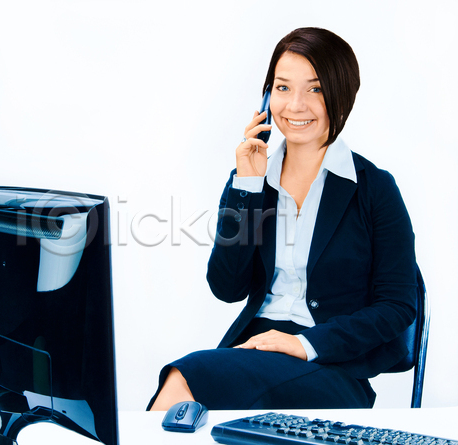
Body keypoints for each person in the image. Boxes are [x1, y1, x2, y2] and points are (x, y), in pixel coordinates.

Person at [148, 27, 417, 411]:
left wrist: (305, 343)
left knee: (185, 377)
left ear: (342, 95)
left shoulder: (374, 188)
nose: (295, 105)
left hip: (332, 365)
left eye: (315, 89)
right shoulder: (251, 180)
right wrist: (248, 186)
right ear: (267, 97)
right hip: (254, 348)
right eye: (283, 88)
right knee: (188, 384)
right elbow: (227, 287)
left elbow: (397, 305)